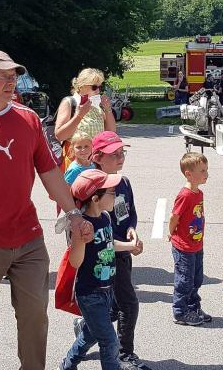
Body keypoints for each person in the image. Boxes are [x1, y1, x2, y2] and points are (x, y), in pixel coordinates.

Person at [0, 49, 93, 370]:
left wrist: (74, 214)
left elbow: (50, 171)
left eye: (14, 75)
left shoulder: (27, 120)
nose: (12, 81)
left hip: (27, 241)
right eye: (3, 75)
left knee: (35, 317)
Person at [74, 131, 146, 370]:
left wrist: (132, 231)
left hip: (124, 253)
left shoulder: (123, 183)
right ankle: (125, 354)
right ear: (98, 157)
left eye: (122, 153)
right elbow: (98, 229)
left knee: (112, 306)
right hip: (107, 256)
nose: (120, 157)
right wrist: (126, 245)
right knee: (129, 304)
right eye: (114, 154)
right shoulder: (94, 189)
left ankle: (86, 327)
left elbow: (129, 214)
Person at [59, 169, 137, 370]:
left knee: (89, 335)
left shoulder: (104, 217)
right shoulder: (83, 226)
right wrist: (81, 239)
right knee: (110, 342)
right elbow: (75, 262)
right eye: (112, 192)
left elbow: (109, 243)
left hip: (107, 290)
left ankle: (67, 365)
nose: (116, 196)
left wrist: (130, 246)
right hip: (90, 294)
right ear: (95, 198)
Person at [168, 152, 211, 326]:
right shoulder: (185, 195)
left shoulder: (198, 193)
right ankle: (180, 311)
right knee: (184, 280)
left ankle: (193, 307)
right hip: (183, 246)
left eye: (206, 170)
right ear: (189, 174)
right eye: (202, 170)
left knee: (196, 278)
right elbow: (174, 217)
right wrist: (171, 232)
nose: (206, 174)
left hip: (196, 244)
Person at [55, 68, 116, 171]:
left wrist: (108, 109)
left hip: (97, 161)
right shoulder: (70, 102)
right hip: (76, 163)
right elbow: (60, 135)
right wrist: (79, 115)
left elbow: (111, 133)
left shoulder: (97, 106)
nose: (98, 90)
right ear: (81, 86)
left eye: (100, 87)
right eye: (94, 87)